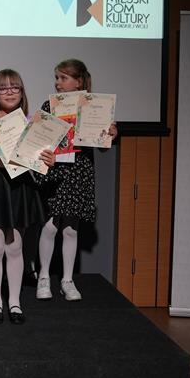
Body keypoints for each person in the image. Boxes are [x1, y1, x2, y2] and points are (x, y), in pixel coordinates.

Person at [0, 69, 53, 325]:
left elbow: (41, 161)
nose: (10, 92)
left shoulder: (32, 123)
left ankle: (14, 302)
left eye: (15, 87)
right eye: (3, 88)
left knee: (15, 247)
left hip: (20, 186)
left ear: (22, 92)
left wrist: (49, 160)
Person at [35, 59, 118, 301]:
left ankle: (67, 280)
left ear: (78, 81)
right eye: (57, 78)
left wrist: (110, 135)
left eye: (63, 78)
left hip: (80, 169)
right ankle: (43, 277)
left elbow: (102, 147)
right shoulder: (49, 105)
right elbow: (39, 138)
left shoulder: (94, 106)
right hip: (56, 168)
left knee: (71, 229)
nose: (58, 83)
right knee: (51, 225)